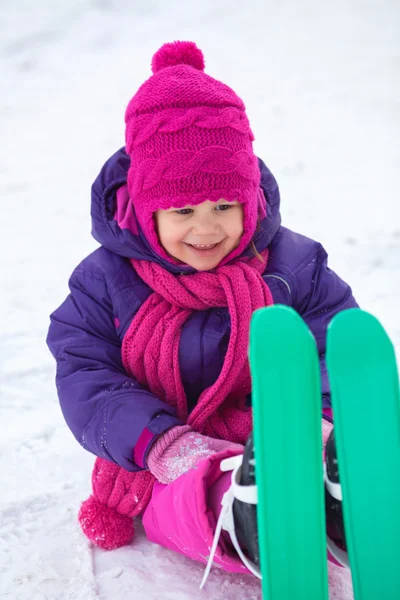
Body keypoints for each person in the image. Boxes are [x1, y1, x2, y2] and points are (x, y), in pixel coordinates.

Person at [46, 41, 355, 583]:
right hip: (168, 454)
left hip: (282, 430)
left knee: (313, 442)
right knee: (178, 501)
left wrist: (322, 421)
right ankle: (244, 518)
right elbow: (86, 376)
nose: (207, 229)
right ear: (145, 209)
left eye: (224, 206)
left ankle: (339, 497)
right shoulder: (105, 282)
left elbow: (327, 345)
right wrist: (162, 442)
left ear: (251, 200)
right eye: (183, 210)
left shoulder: (293, 265)